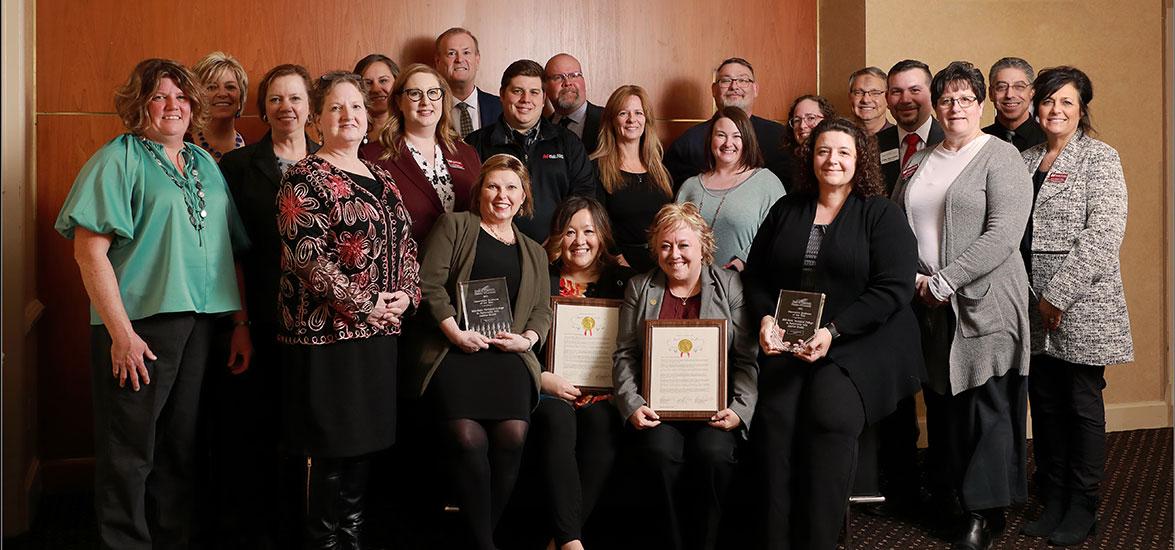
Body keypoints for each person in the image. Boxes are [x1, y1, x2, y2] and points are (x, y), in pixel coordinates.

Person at [54, 58, 250, 549]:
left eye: (181, 97)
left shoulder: (204, 162)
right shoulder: (116, 159)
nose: (173, 106)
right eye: (159, 96)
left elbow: (230, 250)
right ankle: (124, 541)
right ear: (138, 105)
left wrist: (241, 322)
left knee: (179, 445)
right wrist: (121, 335)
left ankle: (170, 537)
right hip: (140, 324)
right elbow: (88, 251)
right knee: (130, 448)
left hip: (202, 321)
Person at [743, 117, 923, 549]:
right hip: (792, 340)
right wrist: (766, 319)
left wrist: (833, 331)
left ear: (859, 159)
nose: (833, 160)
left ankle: (819, 541)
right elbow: (756, 276)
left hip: (861, 340)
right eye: (823, 151)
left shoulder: (880, 213)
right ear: (811, 156)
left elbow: (894, 286)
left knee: (829, 414)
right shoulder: (786, 209)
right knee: (774, 419)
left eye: (843, 151)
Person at [276, 70, 421, 549]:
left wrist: (407, 295)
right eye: (336, 107)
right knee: (330, 450)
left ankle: (351, 539)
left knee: (364, 446)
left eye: (356, 106)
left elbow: (405, 247)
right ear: (317, 119)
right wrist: (368, 305)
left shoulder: (381, 174)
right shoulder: (304, 176)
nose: (348, 115)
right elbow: (308, 258)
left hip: (377, 338)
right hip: (327, 339)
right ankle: (323, 542)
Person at [891, 61, 1032, 550]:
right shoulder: (922, 160)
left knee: (984, 406)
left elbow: (1003, 236)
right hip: (927, 301)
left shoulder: (1000, 157)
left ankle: (982, 513)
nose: (955, 108)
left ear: (981, 105)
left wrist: (947, 280)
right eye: (946, 99)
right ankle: (956, 498)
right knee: (945, 404)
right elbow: (897, 223)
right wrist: (911, 277)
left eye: (965, 99)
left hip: (985, 303)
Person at [1019, 66, 1133, 547]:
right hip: (1028, 303)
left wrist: (1057, 296)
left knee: (1080, 406)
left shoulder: (1100, 159)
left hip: (1081, 304)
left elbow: (1103, 236)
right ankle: (1056, 498)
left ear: (1081, 108)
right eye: (1048, 101)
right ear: (1035, 107)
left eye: (1066, 101)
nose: (1055, 110)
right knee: (1044, 407)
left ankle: (1083, 506)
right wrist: (1033, 298)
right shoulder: (1024, 159)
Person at [415, 154, 553, 550]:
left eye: (511, 187)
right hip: (456, 351)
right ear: (480, 192)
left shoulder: (534, 251)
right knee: (468, 438)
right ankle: (485, 545)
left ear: (523, 195)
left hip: (509, 356)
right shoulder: (455, 226)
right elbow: (429, 285)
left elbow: (542, 309)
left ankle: (478, 538)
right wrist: (455, 333)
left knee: (513, 435)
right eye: (493, 186)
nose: (502, 195)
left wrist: (527, 339)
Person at [612, 202, 758, 550]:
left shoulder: (730, 286)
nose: (674, 254)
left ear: (703, 246)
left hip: (716, 411)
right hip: (657, 411)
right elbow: (625, 354)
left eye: (682, 245)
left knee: (714, 456)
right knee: (659, 454)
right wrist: (632, 404)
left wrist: (740, 409)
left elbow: (746, 357)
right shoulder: (639, 287)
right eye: (665, 246)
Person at [215, 63, 319, 547]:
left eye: (295, 98)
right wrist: (239, 322)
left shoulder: (329, 163)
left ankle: (302, 528)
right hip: (257, 316)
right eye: (276, 100)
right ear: (263, 109)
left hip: (318, 323)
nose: (286, 108)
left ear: (309, 107)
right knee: (257, 430)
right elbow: (227, 251)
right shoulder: (236, 168)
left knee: (309, 429)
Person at [522, 196, 634, 550]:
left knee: (603, 425)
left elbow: (634, 346)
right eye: (569, 232)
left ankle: (560, 542)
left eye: (588, 231)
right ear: (557, 237)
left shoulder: (623, 283)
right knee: (557, 419)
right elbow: (517, 335)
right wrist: (542, 377)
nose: (579, 240)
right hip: (550, 388)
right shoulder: (541, 278)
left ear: (602, 236)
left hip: (603, 391)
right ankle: (571, 542)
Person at [464, 59, 597, 243]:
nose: (526, 99)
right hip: (493, 251)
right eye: (517, 91)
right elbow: (468, 202)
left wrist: (557, 242)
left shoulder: (568, 143)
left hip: (556, 254)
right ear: (502, 95)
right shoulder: (475, 144)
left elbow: (584, 199)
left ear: (543, 99)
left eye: (534, 92)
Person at [360, 63, 483, 242]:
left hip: (464, 264)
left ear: (443, 99)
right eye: (415, 94)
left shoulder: (466, 153)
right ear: (399, 102)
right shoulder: (372, 157)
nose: (426, 102)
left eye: (433, 93)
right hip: (408, 265)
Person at [675, 106, 785, 272]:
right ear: (710, 138)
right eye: (721, 135)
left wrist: (741, 262)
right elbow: (673, 235)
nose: (728, 143)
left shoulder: (767, 182)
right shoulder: (690, 186)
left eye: (737, 136)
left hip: (743, 284)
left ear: (747, 140)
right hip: (692, 286)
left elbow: (780, 235)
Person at [663, 57, 789, 188]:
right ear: (714, 90)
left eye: (743, 80)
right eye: (726, 80)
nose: (734, 86)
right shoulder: (689, 141)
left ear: (755, 89)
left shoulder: (779, 136)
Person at [591, 84, 674, 273]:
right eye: (623, 113)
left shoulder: (660, 170)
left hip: (660, 266)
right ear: (612, 120)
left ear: (646, 120)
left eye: (638, 113)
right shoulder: (597, 168)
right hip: (618, 267)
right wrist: (620, 262)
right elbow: (598, 225)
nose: (632, 120)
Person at [877, 59, 944, 194]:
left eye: (914, 90)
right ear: (887, 98)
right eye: (896, 91)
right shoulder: (873, 145)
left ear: (933, 94)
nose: (905, 100)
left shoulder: (951, 141)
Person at [435, 27, 502, 138]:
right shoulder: (429, 109)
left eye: (466, 52)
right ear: (438, 62)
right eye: (451, 53)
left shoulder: (501, 108)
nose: (459, 59)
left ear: (477, 59)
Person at [191, 51, 248, 161]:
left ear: (241, 98)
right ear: (197, 96)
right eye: (212, 87)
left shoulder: (255, 149)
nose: (222, 94)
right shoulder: (180, 145)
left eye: (230, 87)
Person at [544, 53, 604, 155]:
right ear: (545, 86)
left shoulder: (607, 120)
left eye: (574, 75)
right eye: (558, 77)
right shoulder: (542, 127)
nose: (567, 83)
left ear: (584, 81)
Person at [982, 57, 1046, 152]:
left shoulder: (1048, 139)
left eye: (1019, 86)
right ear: (991, 93)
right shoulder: (979, 142)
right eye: (1002, 87)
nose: (1010, 95)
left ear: (1032, 92)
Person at [779, 95, 837, 191]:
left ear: (827, 120)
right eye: (797, 120)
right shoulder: (786, 165)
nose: (802, 126)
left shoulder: (836, 160)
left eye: (810, 118)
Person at [354, 53, 402, 143]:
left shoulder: (412, 129)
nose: (376, 89)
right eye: (368, 83)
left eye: (383, 81)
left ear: (397, 82)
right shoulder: (349, 132)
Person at [847, 66, 893, 135]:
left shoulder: (901, 139)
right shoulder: (839, 138)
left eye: (875, 93)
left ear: (887, 98)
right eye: (858, 92)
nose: (866, 100)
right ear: (850, 97)